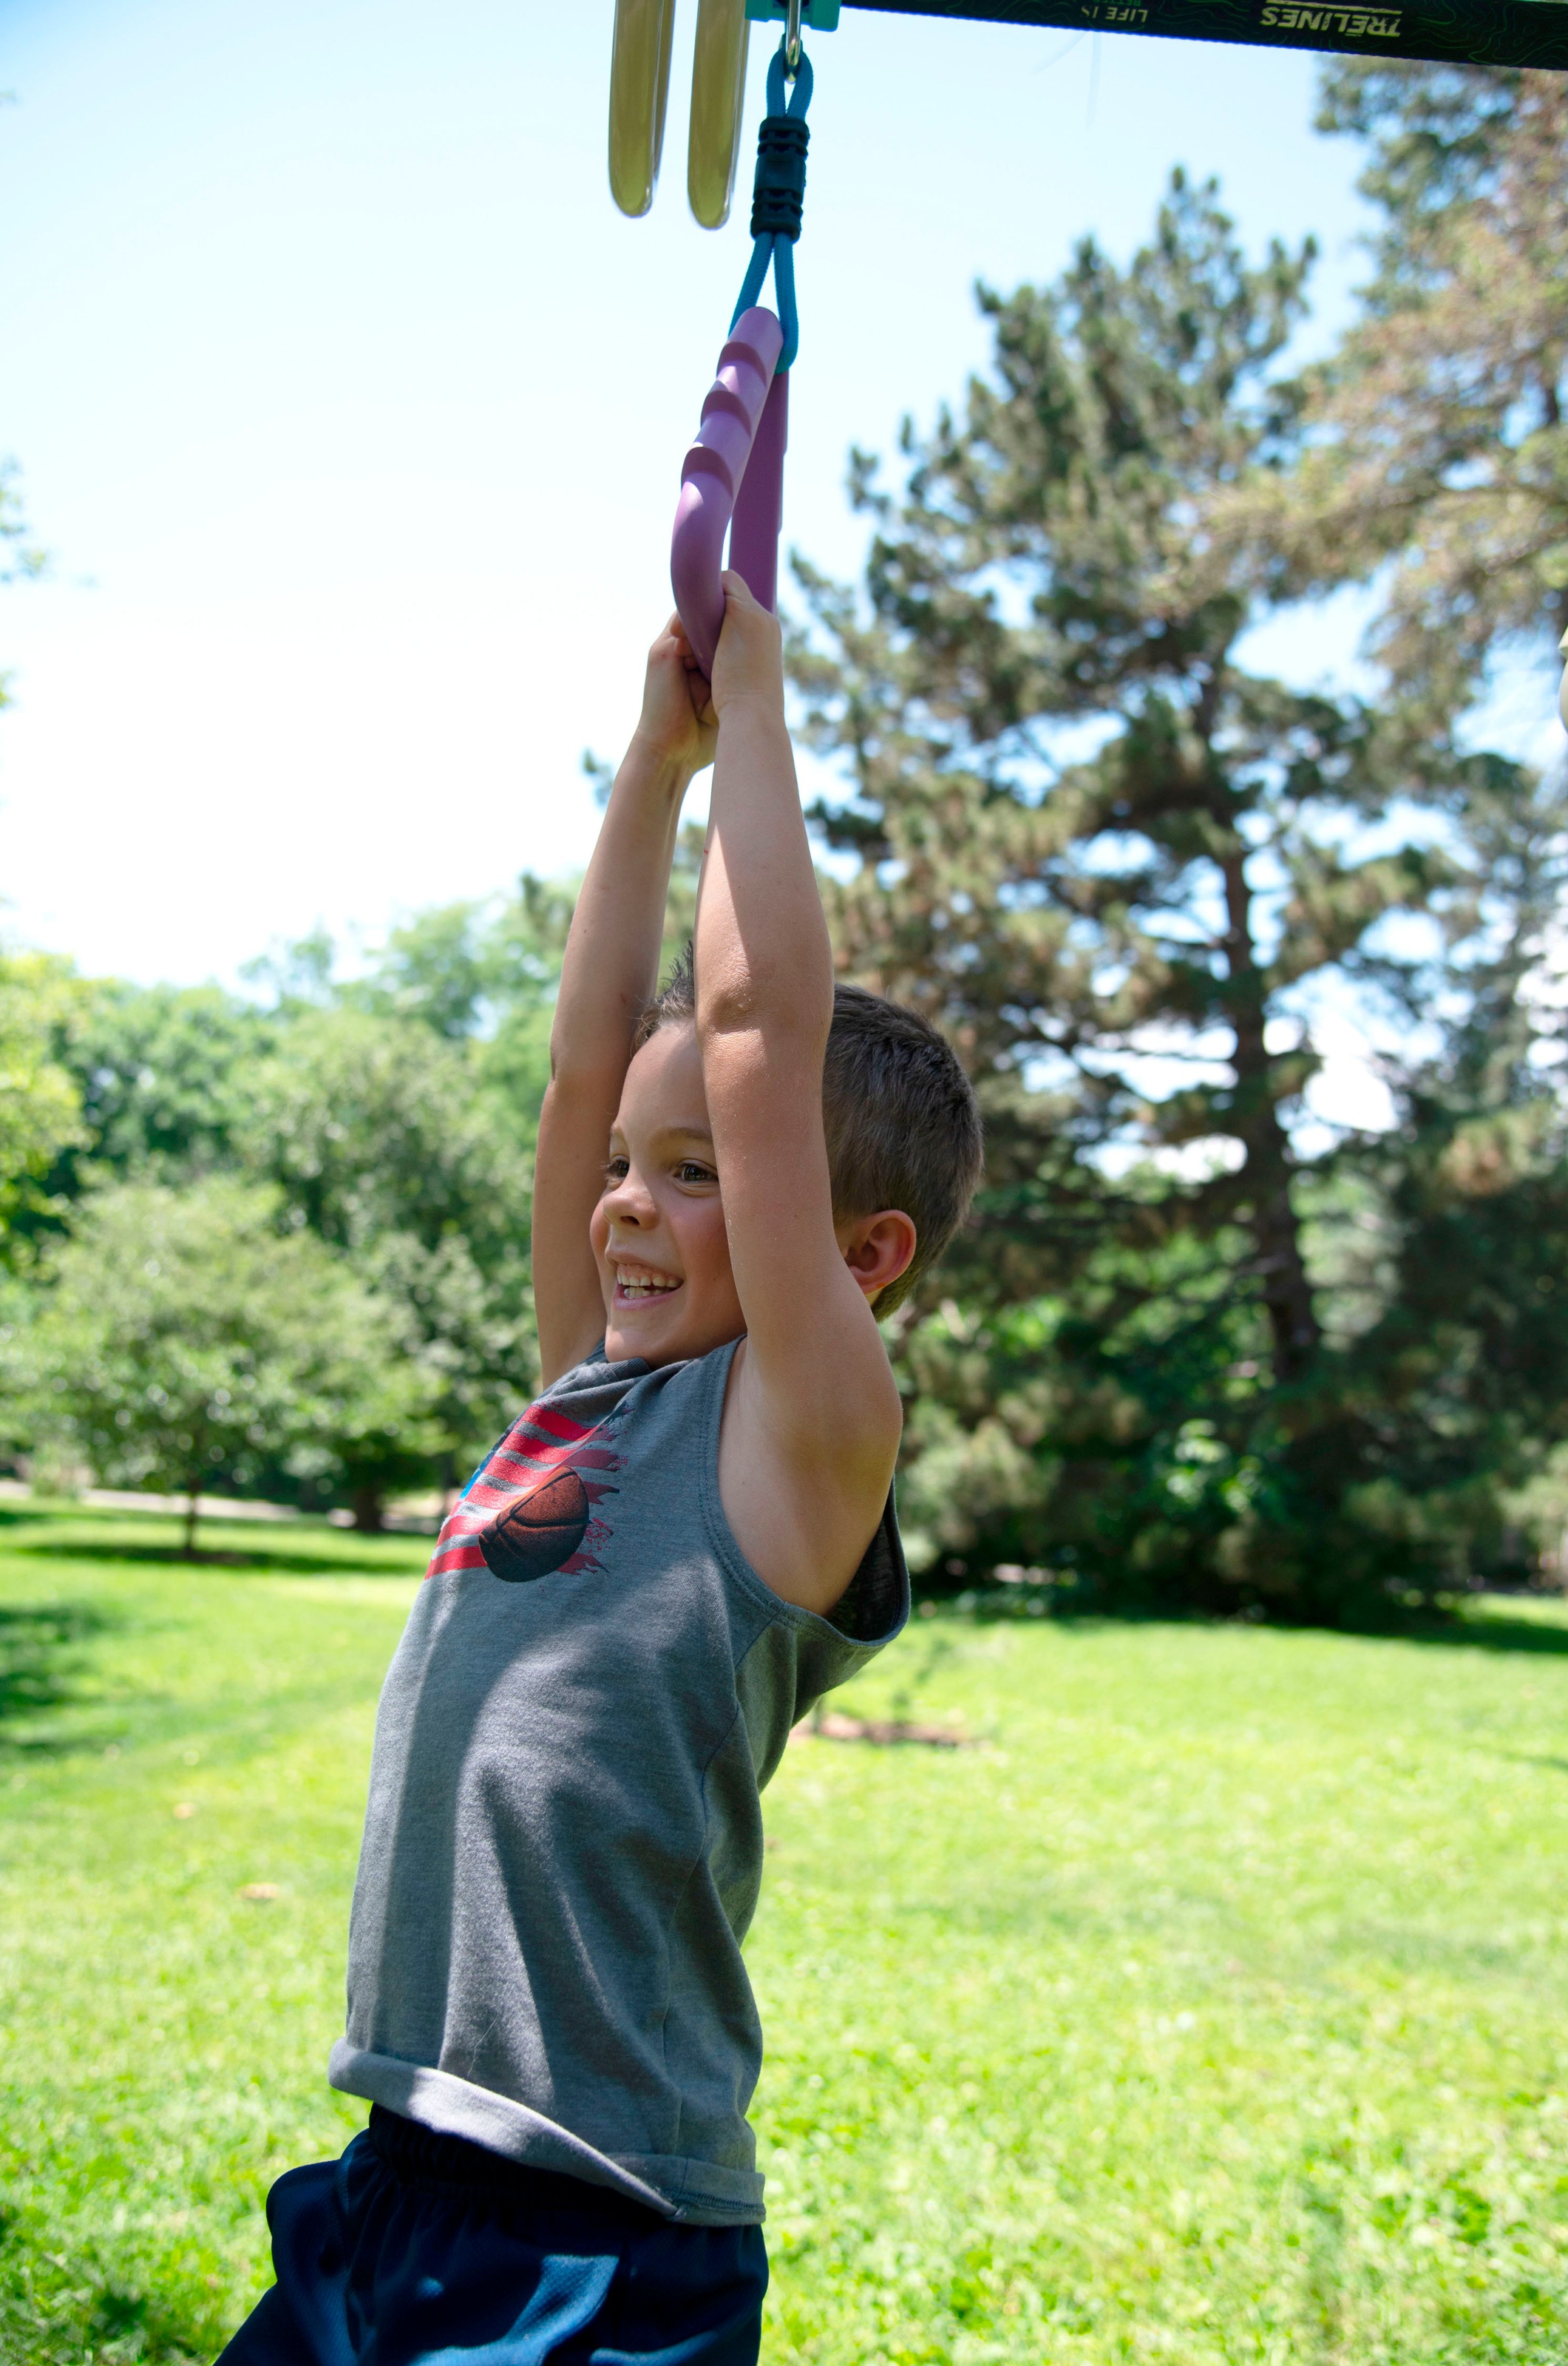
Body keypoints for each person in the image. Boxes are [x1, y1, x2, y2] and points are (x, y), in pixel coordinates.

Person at [217, 575, 983, 2366]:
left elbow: (759, 1047)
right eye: (632, 1171)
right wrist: (655, 761)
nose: (630, 1199)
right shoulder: (590, 1382)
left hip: (605, 2231)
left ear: (854, 1256)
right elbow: (587, 1077)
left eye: (698, 1175)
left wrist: (767, 709)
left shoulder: (801, 1446)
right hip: (403, 2166)